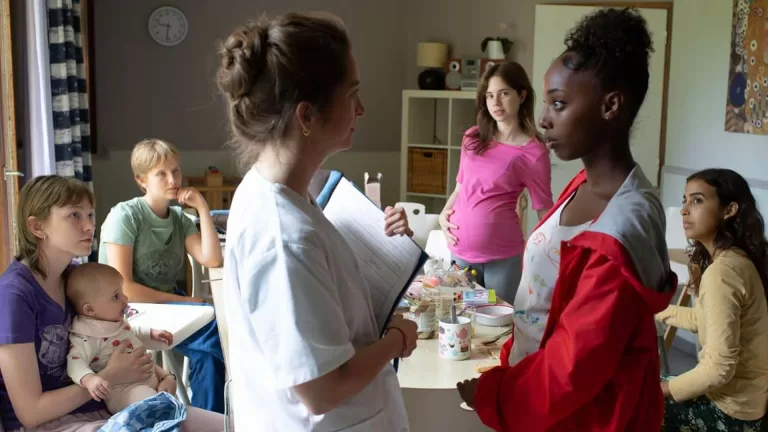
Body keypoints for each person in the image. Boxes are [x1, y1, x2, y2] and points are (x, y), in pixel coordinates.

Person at [456, 8, 677, 431]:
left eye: (559, 104)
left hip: (578, 416)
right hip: (539, 395)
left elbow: (572, 368)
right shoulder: (582, 185)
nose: (543, 119)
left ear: (611, 105)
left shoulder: (622, 226)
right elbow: (544, 305)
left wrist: (492, 395)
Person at [216, 12, 418, 431]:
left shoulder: (276, 190)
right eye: (352, 94)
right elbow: (322, 389)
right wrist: (396, 340)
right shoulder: (284, 236)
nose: (361, 109)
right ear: (306, 116)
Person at [0, 175, 223, 432]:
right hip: (52, 424)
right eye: (74, 215)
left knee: (233, 426)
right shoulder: (14, 296)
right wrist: (111, 377)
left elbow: (114, 338)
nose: (88, 226)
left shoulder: (76, 279)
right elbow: (31, 413)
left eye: (90, 215)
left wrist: (165, 377)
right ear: (37, 227)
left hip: (105, 407)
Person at [98, 139, 226, 413]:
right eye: (161, 173)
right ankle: (212, 416)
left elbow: (212, 258)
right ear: (141, 180)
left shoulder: (179, 218)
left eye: (176, 171)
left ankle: (209, 420)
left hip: (166, 304)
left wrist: (202, 207)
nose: (173, 179)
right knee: (214, 333)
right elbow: (125, 289)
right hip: (125, 309)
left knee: (211, 346)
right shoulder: (126, 216)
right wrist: (187, 301)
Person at [657, 168, 768, 431]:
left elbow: (718, 369)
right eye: (685, 200)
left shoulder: (723, 273)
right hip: (749, 401)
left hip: (732, 413)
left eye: (697, 201)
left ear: (729, 210)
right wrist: (653, 309)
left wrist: (662, 390)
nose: (684, 210)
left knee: (632, 400)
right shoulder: (734, 259)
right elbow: (702, 319)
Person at [439, 61, 552, 301]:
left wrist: (555, 258)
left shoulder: (533, 152)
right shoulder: (472, 137)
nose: (495, 103)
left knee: (498, 330)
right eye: (490, 95)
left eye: (504, 94)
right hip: (460, 251)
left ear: (521, 95)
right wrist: (443, 215)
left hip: (502, 256)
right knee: (461, 321)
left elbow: (544, 211)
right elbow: (460, 188)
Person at [66, 262, 178, 415]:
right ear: (90, 309)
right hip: (123, 393)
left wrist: (150, 333)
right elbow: (75, 361)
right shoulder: (87, 336)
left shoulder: (113, 321)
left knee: (167, 403)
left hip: (149, 381)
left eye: (122, 293)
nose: (125, 299)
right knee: (156, 406)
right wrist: (90, 379)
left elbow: (130, 332)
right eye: (116, 296)